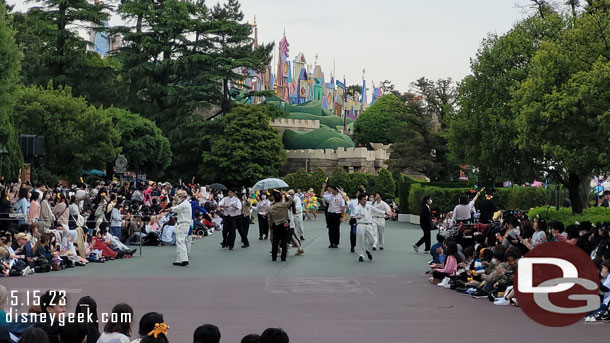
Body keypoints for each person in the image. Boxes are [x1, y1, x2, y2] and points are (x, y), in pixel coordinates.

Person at [353, 193, 389, 262]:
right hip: (361, 224)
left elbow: (377, 211)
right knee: (361, 240)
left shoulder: (369, 206)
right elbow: (356, 214)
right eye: (363, 199)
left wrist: (385, 213)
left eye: (365, 199)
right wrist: (358, 216)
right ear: (359, 200)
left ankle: (368, 250)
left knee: (372, 240)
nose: (364, 201)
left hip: (369, 225)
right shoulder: (357, 208)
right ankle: (361, 255)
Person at [163, 190, 192, 266]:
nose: (178, 198)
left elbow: (174, 209)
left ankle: (184, 259)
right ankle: (179, 259)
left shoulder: (185, 204)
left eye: (179, 197)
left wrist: (165, 210)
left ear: (183, 197)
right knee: (179, 242)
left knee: (180, 242)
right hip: (182, 224)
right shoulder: (185, 204)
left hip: (183, 224)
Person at [267, 191, 294, 262]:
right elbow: (291, 200)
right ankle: (283, 257)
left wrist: (271, 228)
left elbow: (269, 219)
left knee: (275, 242)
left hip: (275, 224)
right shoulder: (284, 205)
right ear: (281, 199)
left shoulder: (271, 208)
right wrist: (286, 194)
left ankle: (274, 257)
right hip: (284, 224)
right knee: (284, 241)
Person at [320, 183, 345, 248]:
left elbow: (343, 208)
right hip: (330, 214)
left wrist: (342, 217)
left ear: (336, 190)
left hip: (337, 214)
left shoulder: (340, 197)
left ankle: (336, 243)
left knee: (336, 229)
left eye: (333, 190)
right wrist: (323, 187)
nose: (332, 191)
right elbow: (322, 195)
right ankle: (331, 243)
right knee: (330, 229)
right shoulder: (330, 196)